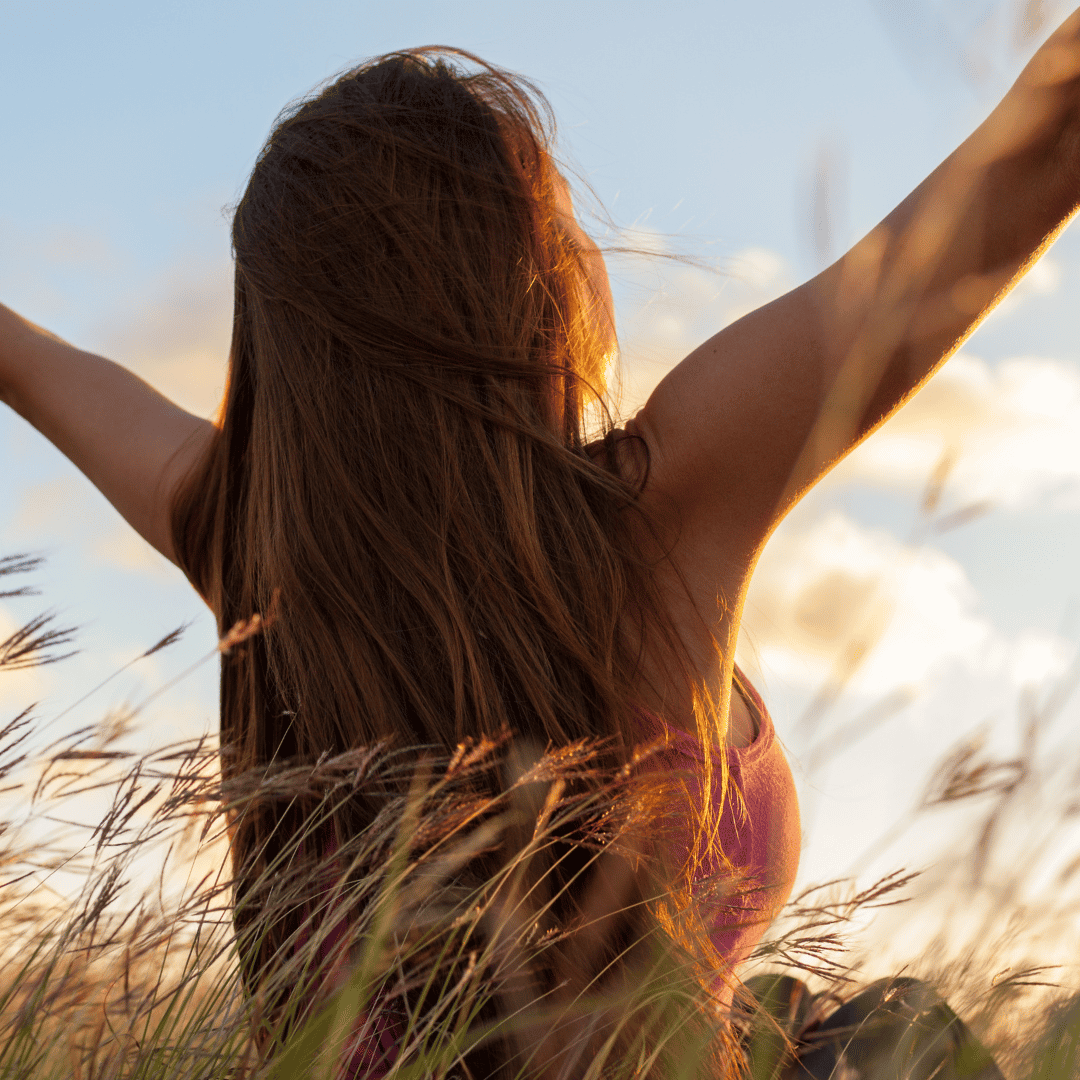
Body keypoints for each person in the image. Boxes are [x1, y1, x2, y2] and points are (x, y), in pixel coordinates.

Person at [3, 7, 1080, 1075]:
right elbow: (1046, 145)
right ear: (526, 291)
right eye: (561, 221)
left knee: (794, 1012)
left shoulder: (252, 548)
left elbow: (29, 360)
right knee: (897, 1037)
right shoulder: (659, 515)